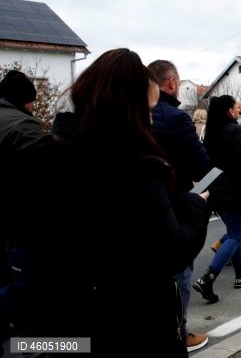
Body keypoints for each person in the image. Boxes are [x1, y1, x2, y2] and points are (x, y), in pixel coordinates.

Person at [3, 49, 211, 356]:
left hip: (60, 332)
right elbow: (172, 252)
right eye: (148, 110)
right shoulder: (136, 169)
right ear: (128, 109)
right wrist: (195, 205)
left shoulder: (44, 155)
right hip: (129, 331)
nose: (151, 119)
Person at [147, 60, 211, 352]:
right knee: (179, 274)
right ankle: (180, 331)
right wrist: (201, 195)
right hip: (173, 206)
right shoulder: (174, 118)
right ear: (171, 83)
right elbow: (202, 166)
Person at [193, 95, 241, 304]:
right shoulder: (234, 130)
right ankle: (208, 278)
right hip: (235, 189)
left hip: (216, 189)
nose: (237, 111)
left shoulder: (210, 132)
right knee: (234, 236)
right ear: (229, 111)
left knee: (234, 231)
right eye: (234, 108)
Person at [0, 70, 44, 342]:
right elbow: (50, 176)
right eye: (31, 101)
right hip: (14, 223)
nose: (32, 107)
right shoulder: (23, 127)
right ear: (22, 100)